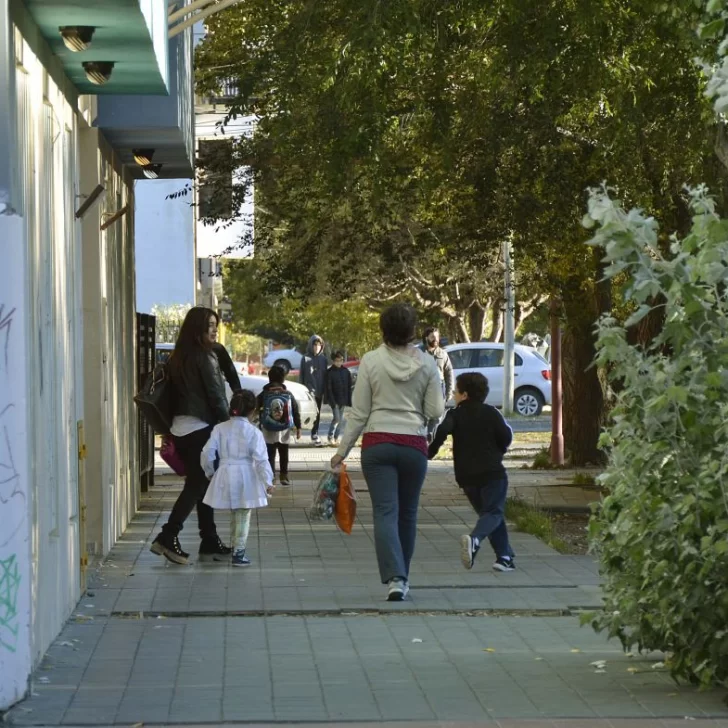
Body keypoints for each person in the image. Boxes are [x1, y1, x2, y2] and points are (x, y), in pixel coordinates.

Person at [330, 303, 444, 601]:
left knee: (385, 512)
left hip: (377, 445)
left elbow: (359, 412)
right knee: (408, 513)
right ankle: (402, 579)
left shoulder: (370, 361)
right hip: (413, 447)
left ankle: (395, 577)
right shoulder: (428, 364)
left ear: (383, 329)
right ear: (412, 331)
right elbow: (435, 409)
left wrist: (342, 451)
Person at [150, 307, 232, 565]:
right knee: (196, 486)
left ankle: (209, 540)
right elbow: (216, 396)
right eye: (209, 324)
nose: (214, 329)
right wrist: (228, 427)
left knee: (203, 484)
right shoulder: (204, 357)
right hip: (200, 428)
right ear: (197, 327)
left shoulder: (178, 356)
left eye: (215, 324)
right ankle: (167, 536)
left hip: (181, 428)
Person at [427, 372, 516, 572]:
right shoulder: (491, 413)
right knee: (493, 512)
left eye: (455, 392)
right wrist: (500, 449)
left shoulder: (454, 415)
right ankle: (475, 540)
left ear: (464, 395)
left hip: (466, 477)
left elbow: (441, 431)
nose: (453, 395)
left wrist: (430, 451)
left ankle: (504, 557)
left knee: (490, 515)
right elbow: (506, 437)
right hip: (492, 473)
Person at [201, 390, 274, 566]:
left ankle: (235, 547)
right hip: (246, 474)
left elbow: (207, 452)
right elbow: (262, 458)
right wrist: (268, 481)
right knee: (243, 513)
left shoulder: (219, 428)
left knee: (235, 513)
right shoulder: (253, 432)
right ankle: (239, 552)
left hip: (225, 472)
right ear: (252, 410)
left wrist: (209, 471)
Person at [257, 365, 301, 486]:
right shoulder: (287, 393)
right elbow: (295, 410)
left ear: (269, 378)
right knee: (284, 452)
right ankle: (284, 476)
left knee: (270, 453)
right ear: (283, 379)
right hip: (284, 428)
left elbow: (255, 406)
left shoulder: (265, 393)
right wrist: (299, 427)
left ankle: (271, 478)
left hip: (268, 429)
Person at [299, 334, 328, 445]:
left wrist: (326, 391)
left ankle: (314, 433)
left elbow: (325, 376)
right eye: (315, 345)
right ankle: (301, 431)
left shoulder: (323, 359)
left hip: (319, 391)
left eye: (319, 345)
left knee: (318, 413)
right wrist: (302, 391)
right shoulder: (305, 358)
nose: (317, 347)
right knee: (309, 412)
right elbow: (301, 376)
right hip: (308, 392)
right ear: (311, 345)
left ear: (322, 346)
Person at [325, 351, 352, 446]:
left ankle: (336, 438)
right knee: (336, 419)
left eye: (340, 360)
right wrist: (332, 402)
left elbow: (348, 387)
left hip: (343, 400)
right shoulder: (330, 372)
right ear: (333, 361)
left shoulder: (346, 371)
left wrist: (348, 400)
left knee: (340, 420)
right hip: (334, 400)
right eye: (337, 361)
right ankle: (330, 437)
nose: (339, 362)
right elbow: (328, 388)